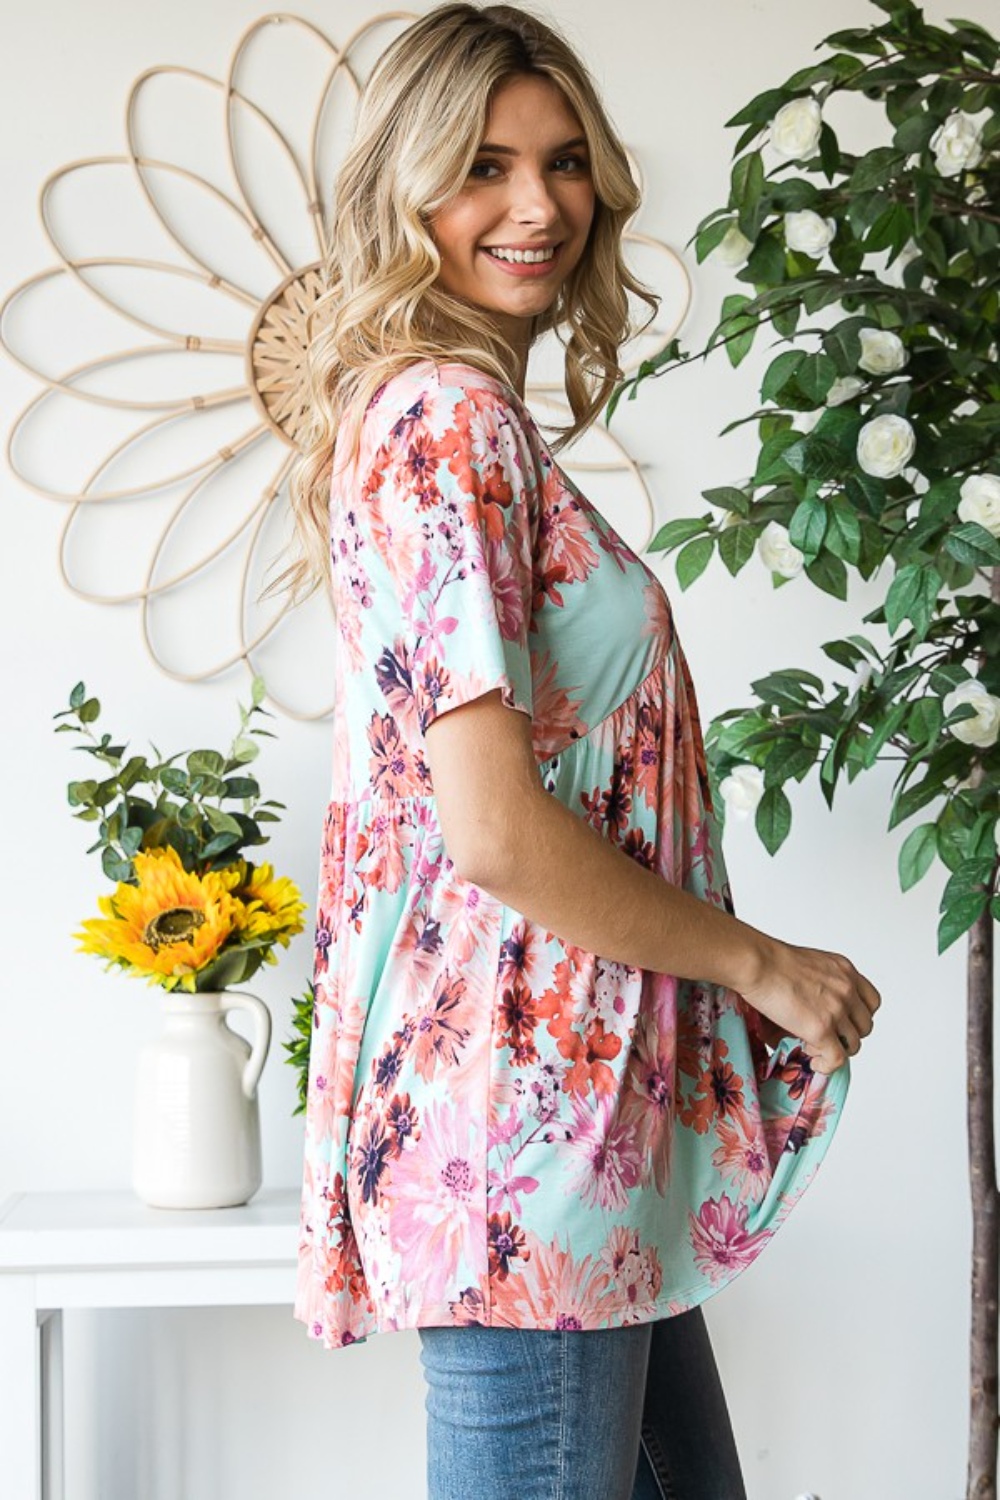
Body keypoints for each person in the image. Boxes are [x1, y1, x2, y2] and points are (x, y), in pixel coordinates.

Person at [281, 4, 882, 1496]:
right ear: (405, 189)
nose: (538, 206)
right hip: (526, 1140)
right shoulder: (445, 421)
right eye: (484, 166)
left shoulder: (455, 416)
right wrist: (757, 963)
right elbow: (489, 830)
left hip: (584, 1122)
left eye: (562, 163)